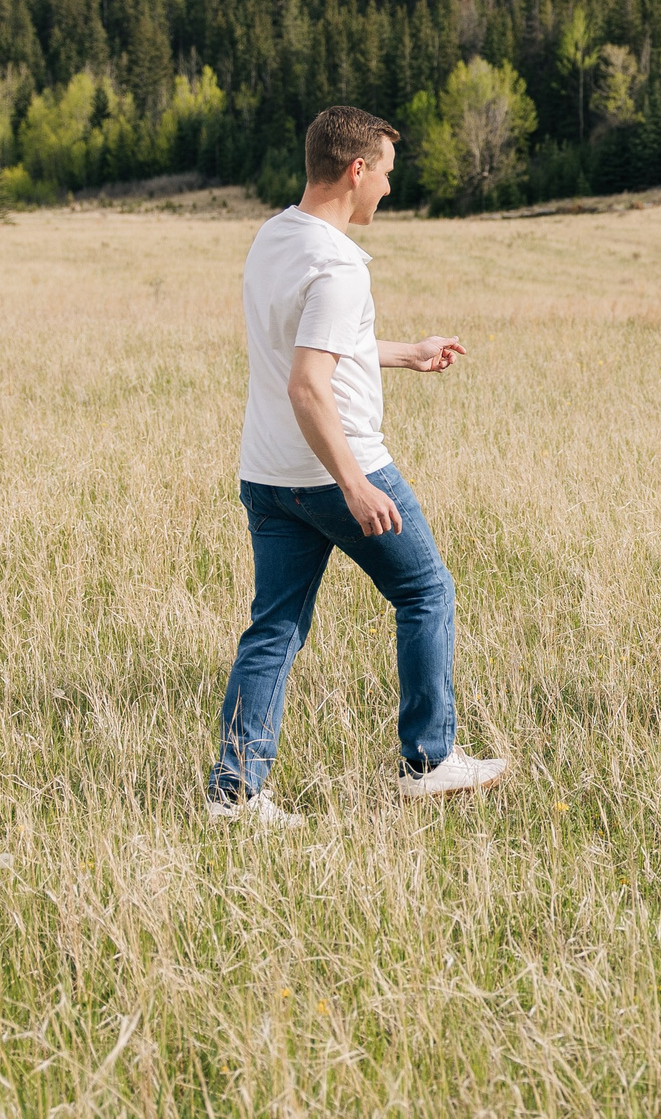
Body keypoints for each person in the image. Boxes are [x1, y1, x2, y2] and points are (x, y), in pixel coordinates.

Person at [209, 105, 511, 824]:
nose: (387, 190)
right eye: (384, 175)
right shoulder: (339, 263)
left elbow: (306, 344)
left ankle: (236, 791)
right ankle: (429, 761)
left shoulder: (275, 236)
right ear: (356, 168)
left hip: (268, 474)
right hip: (335, 471)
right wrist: (354, 481)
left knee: (274, 627)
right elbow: (308, 382)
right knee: (427, 592)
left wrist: (406, 352)